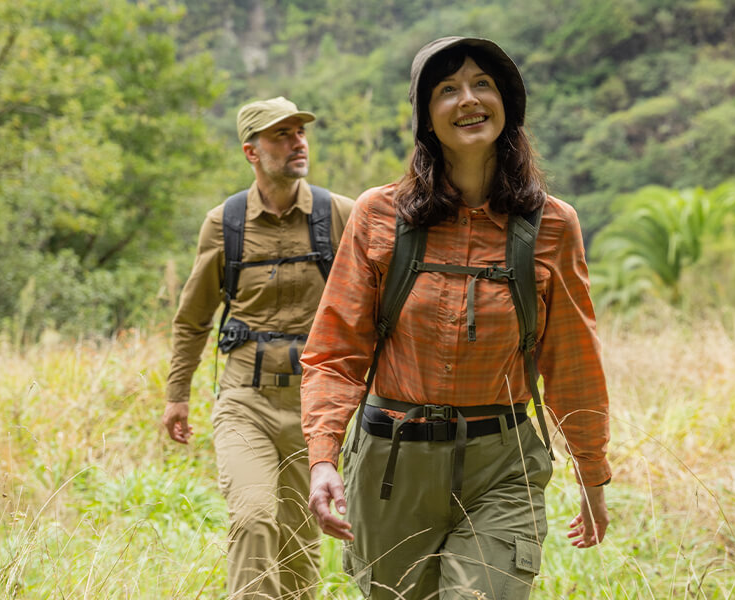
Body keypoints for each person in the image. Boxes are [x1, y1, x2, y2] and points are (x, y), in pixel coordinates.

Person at [299, 37, 611, 599]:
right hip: (392, 465)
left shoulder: (553, 224)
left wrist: (591, 474)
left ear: (506, 103)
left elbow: (572, 360)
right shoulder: (378, 214)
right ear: (425, 117)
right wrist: (323, 458)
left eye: (482, 85)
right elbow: (335, 351)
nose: (468, 100)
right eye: (448, 90)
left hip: (503, 464)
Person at [162, 96, 354, 599]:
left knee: (298, 543)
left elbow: (376, 313)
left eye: (300, 132)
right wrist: (176, 394)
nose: (298, 143)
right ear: (252, 151)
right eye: (281, 135)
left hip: (316, 409)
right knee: (252, 517)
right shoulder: (224, 222)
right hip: (246, 401)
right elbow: (192, 317)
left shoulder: (339, 215)